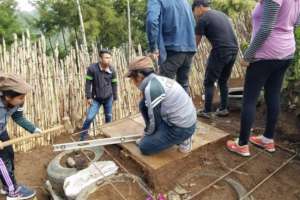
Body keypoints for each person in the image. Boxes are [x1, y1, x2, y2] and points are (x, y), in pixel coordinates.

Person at [227, 0, 300, 157]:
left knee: (250, 99)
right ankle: (267, 139)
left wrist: (248, 55)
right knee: (273, 95)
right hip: (286, 52)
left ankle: (242, 144)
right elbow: (296, 23)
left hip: (266, 53)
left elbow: (266, 28)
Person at [126, 56, 197, 155]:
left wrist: (147, 135)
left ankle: (185, 139)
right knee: (143, 104)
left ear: (139, 75)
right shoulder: (158, 80)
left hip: (182, 128)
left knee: (145, 147)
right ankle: (173, 135)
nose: (132, 82)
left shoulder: (152, 88)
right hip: (183, 120)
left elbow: (154, 120)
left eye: (132, 78)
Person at [192, 0, 239, 119]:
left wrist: (188, 56)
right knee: (223, 80)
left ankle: (207, 111)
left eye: (195, 11)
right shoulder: (221, 14)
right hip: (234, 49)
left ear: (199, 7)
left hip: (220, 50)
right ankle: (223, 109)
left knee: (209, 81)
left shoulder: (203, 19)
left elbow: (195, 43)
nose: (195, 14)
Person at [0, 73, 42, 200]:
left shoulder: (17, 102)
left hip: (1, 131)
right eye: (20, 98)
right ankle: (12, 192)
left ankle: (7, 185)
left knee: (9, 155)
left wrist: (33, 129)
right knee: (1, 162)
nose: (23, 101)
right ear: (7, 97)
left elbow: (18, 117)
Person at [146, 0, 197, 93]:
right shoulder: (184, 2)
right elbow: (193, 23)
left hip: (172, 50)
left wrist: (153, 47)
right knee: (183, 84)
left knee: (162, 88)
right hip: (189, 48)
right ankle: (187, 107)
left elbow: (151, 21)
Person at [80, 49, 118, 141]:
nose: (108, 60)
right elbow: (88, 83)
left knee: (108, 118)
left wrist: (115, 97)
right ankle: (83, 137)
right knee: (89, 118)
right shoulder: (92, 68)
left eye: (110, 58)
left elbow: (114, 84)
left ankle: (108, 137)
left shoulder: (112, 70)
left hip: (108, 97)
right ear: (100, 59)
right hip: (96, 99)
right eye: (106, 58)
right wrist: (88, 97)